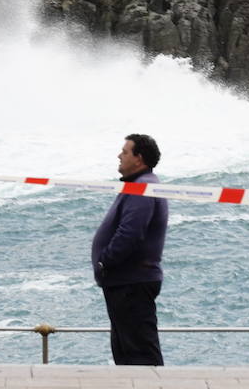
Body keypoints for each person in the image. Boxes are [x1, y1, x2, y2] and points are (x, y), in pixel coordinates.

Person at [91, 133, 168, 365]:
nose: (119, 156)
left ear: (139, 158)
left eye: (125, 152)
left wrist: (105, 262)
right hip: (125, 282)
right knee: (127, 352)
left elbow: (131, 233)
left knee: (140, 354)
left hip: (131, 283)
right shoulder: (140, 186)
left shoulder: (143, 188)